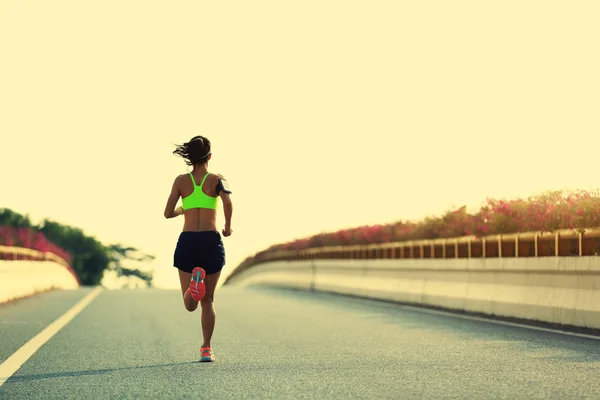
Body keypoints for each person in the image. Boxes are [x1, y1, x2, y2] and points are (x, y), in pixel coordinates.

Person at [164, 135, 233, 362]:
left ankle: (193, 285)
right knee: (209, 300)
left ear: (190, 158)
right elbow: (228, 202)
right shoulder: (217, 179)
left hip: (188, 241)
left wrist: (183, 210)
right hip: (210, 241)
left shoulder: (180, 181)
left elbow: (166, 213)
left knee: (190, 304)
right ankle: (206, 348)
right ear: (209, 157)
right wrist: (228, 227)